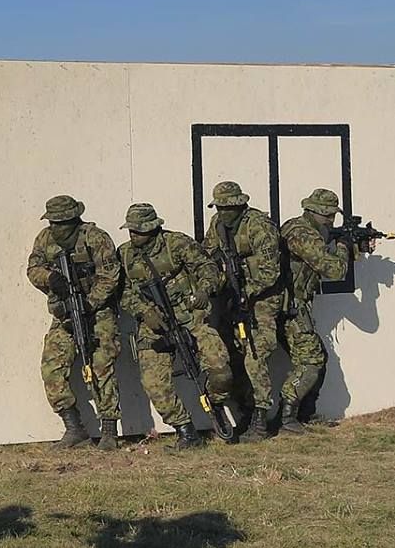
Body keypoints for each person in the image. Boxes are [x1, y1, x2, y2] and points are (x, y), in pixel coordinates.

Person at [116, 203, 236, 450]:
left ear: (152, 228)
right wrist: (144, 311)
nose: (133, 235)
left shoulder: (177, 244)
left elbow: (208, 268)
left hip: (191, 318)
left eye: (138, 230)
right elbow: (122, 291)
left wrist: (204, 290)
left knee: (220, 368)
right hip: (155, 327)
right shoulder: (125, 255)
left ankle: (215, 400)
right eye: (131, 230)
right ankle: (185, 431)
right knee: (154, 382)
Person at [24, 195, 123, 450]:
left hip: (98, 312)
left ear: (74, 220)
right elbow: (32, 269)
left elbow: (110, 276)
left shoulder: (95, 238)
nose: (56, 228)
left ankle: (109, 430)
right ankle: (74, 428)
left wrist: (90, 303)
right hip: (65, 313)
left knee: (101, 366)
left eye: (61, 223)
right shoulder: (44, 239)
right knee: (52, 368)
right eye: (53, 222)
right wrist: (50, 278)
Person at [203, 181, 285, 441]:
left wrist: (246, 292)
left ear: (240, 204)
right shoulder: (218, 224)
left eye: (228, 207)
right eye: (220, 207)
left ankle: (261, 420)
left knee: (256, 355)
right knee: (234, 357)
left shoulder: (259, 225)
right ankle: (246, 413)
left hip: (262, 300)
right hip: (232, 300)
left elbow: (271, 271)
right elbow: (208, 255)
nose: (223, 212)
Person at [275, 187, 353, 433]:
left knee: (319, 357)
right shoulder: (302, 234)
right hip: (289, 308)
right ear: (316, 213)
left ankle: (305, 413)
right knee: (311, 361)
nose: (331, 221)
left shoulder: (300, 229)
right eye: (328, 217)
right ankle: (287, 418)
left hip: (293, 307)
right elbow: (335, 271)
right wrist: (343, 246)